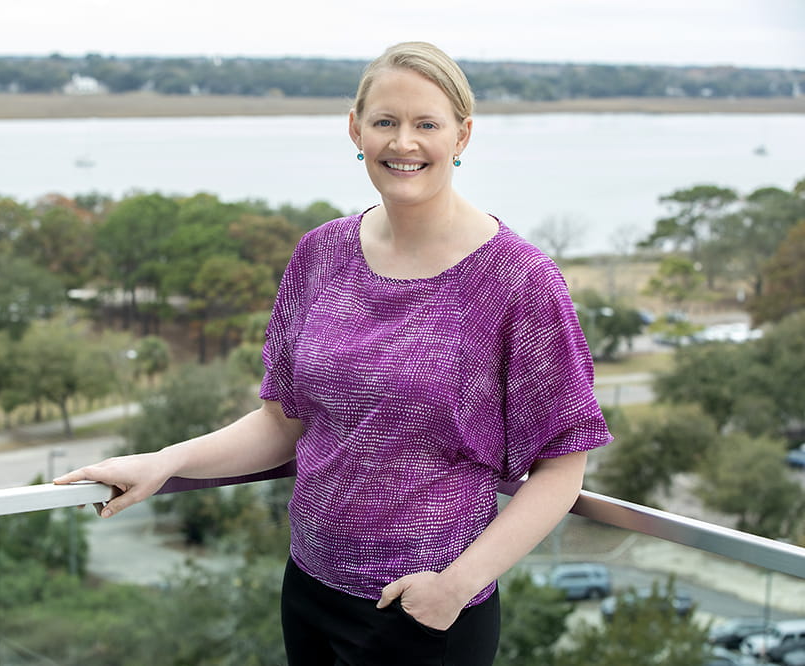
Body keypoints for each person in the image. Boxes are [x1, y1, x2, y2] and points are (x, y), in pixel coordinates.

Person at [55, 41, 612, 666]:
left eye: (427, 124)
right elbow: (283, 422)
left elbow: (563, 469)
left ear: (462, 135)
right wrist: (163, 462)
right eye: (386, 122)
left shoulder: (519, 279)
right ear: (356, 129)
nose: (404, 143)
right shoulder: (321, 254)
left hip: (426, 614)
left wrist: (452, 589)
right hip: (310, 589)